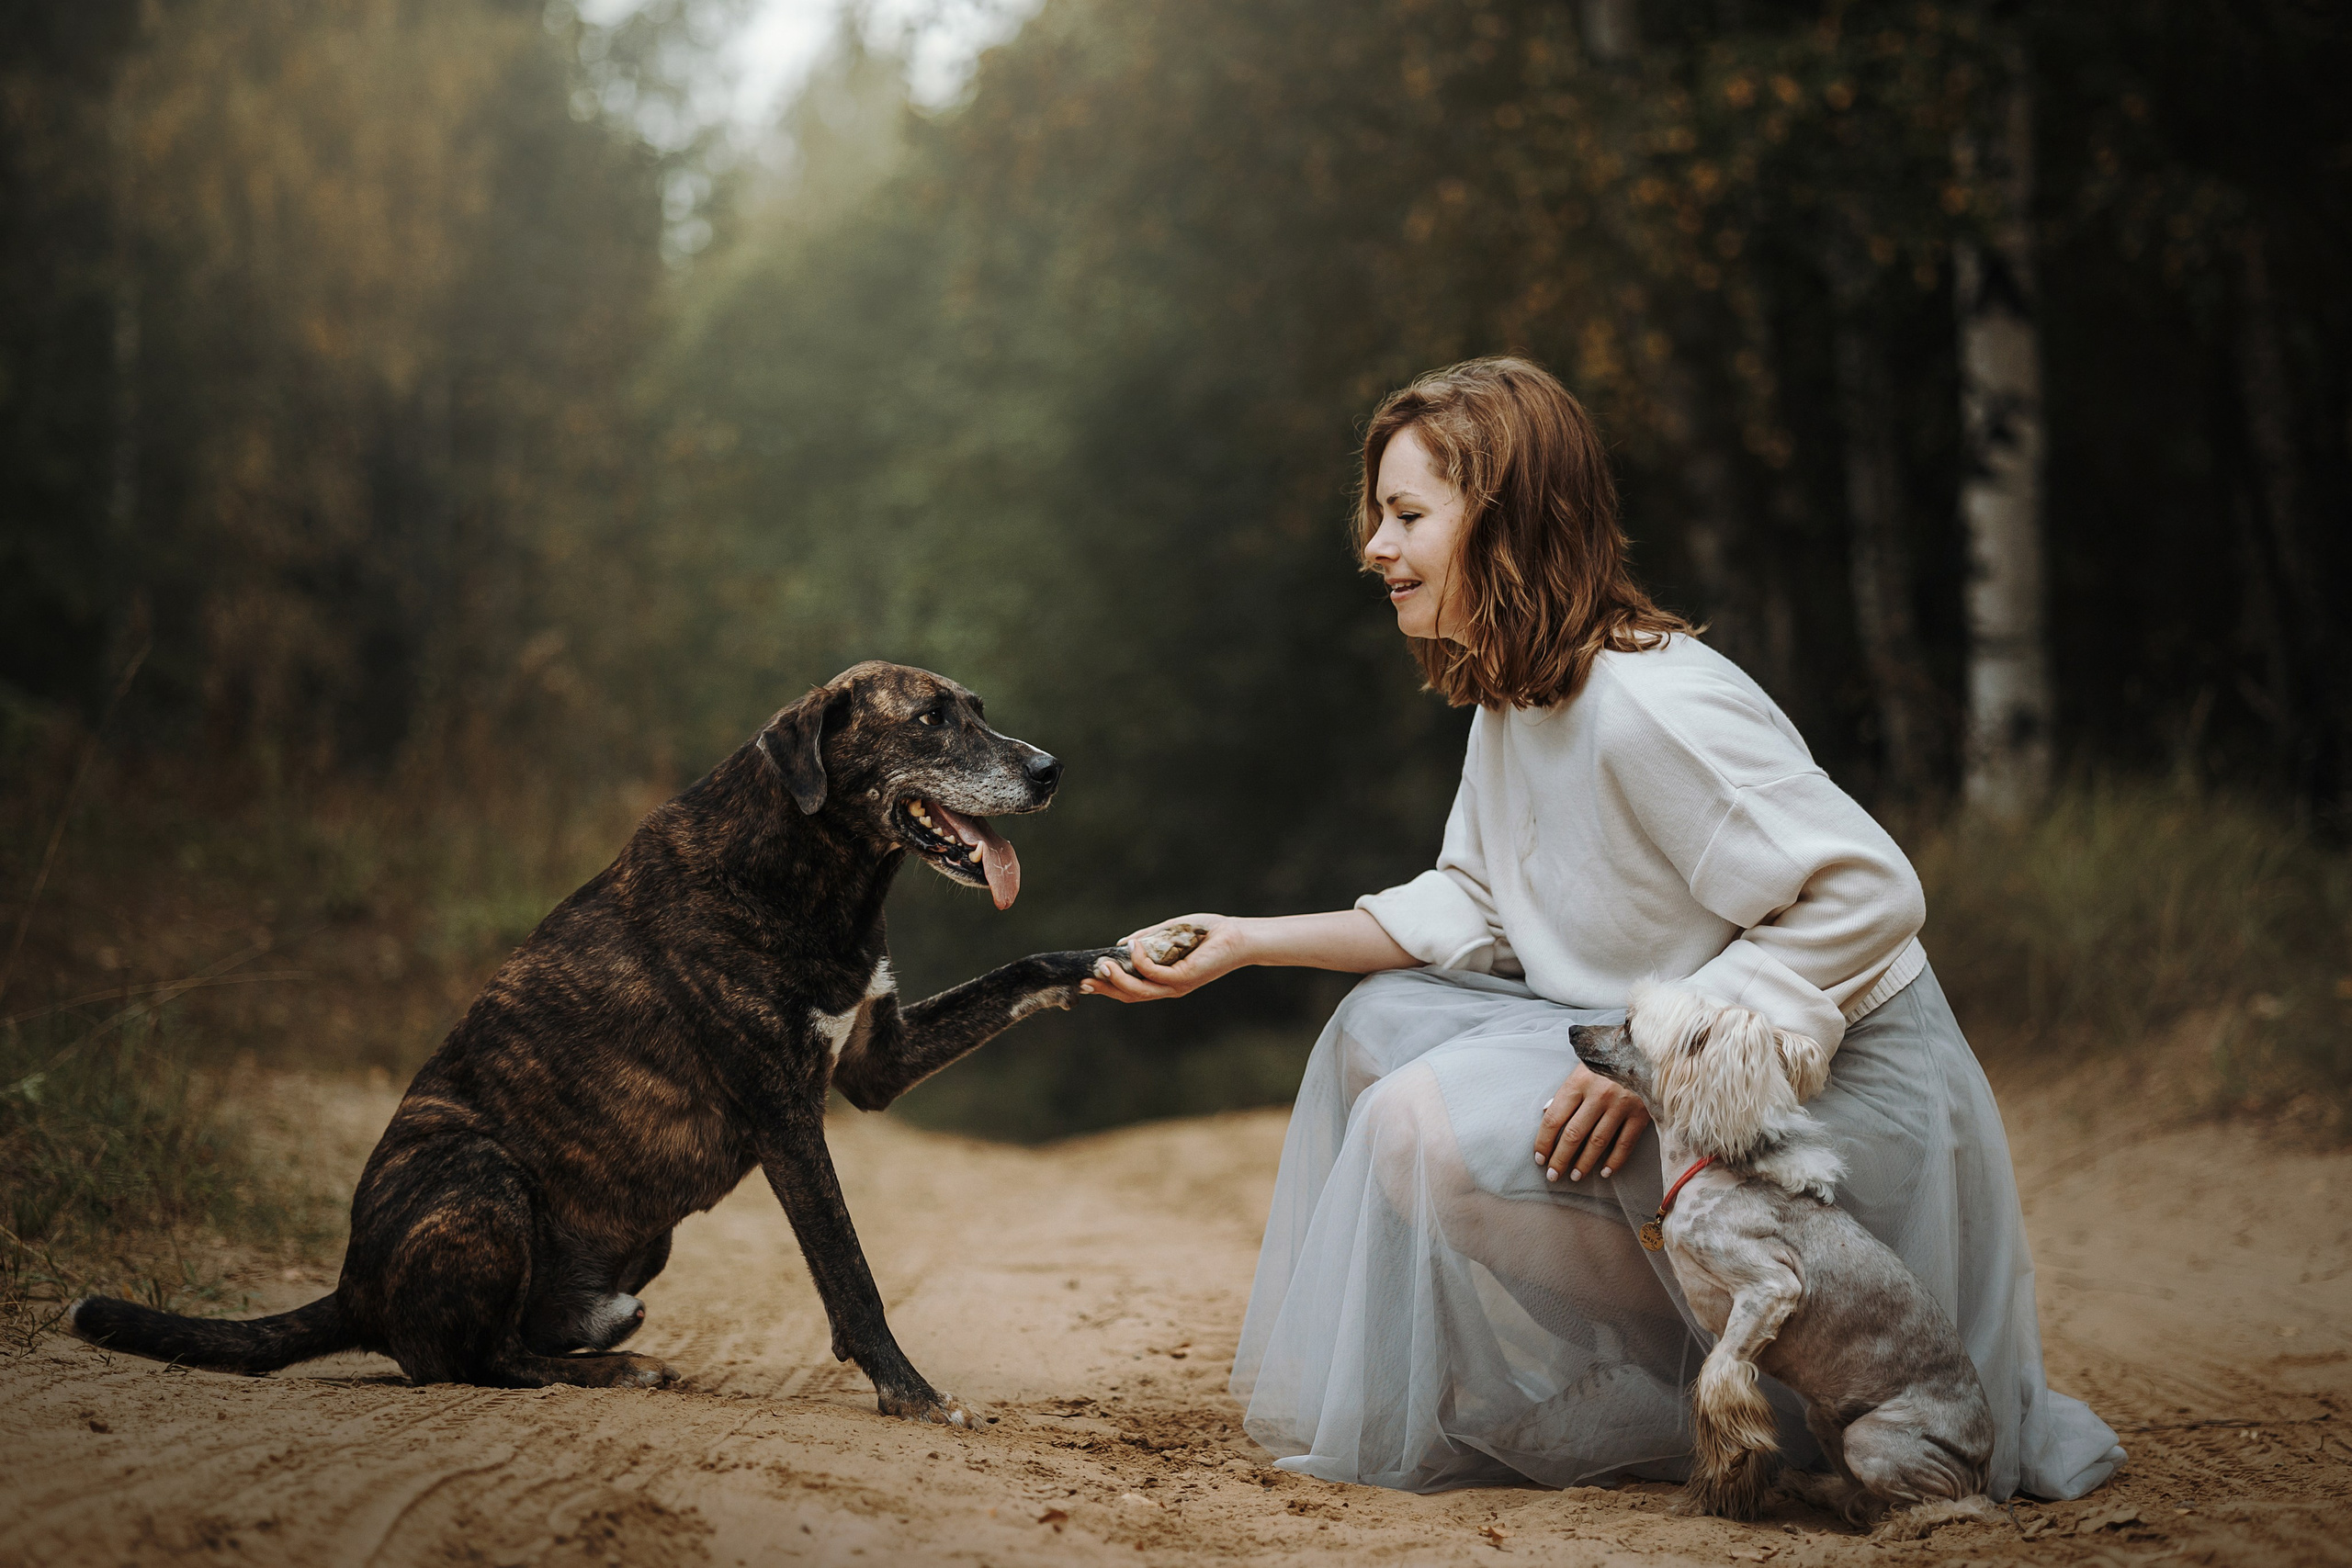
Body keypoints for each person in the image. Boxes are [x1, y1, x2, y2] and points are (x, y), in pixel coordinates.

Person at [1081, 356, 2124, 1500]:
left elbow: (1872, 893)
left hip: (1836, 1097)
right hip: (1686, 1057)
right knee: (1381, 1036)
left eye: (1407, 515)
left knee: (1415, 1126)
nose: (1373, 547)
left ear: (1509, 523)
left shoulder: (1651, 706)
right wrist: (1246, 939)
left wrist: (1670, 1062)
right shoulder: (1516, 695)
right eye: (1378, 514)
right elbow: (1475, 902)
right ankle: (1682, 1378)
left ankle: (1781, 1388)